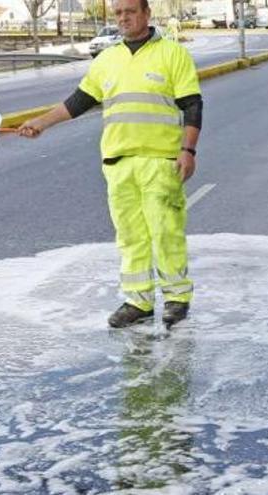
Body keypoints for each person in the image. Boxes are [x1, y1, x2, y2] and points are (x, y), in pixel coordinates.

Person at [17, 0, 202, 329]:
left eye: (130, 11)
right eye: (118, 13)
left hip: (161, 161)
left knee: (165, 231)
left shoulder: (173, 54)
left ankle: (176, 298)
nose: (123, 18)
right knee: (130, 235)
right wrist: (41, 123)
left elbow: (192, 105)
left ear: (146, 14)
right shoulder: (107, 60)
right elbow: (78, 102)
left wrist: (188, 150)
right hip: (118, 163)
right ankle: (138, 301)